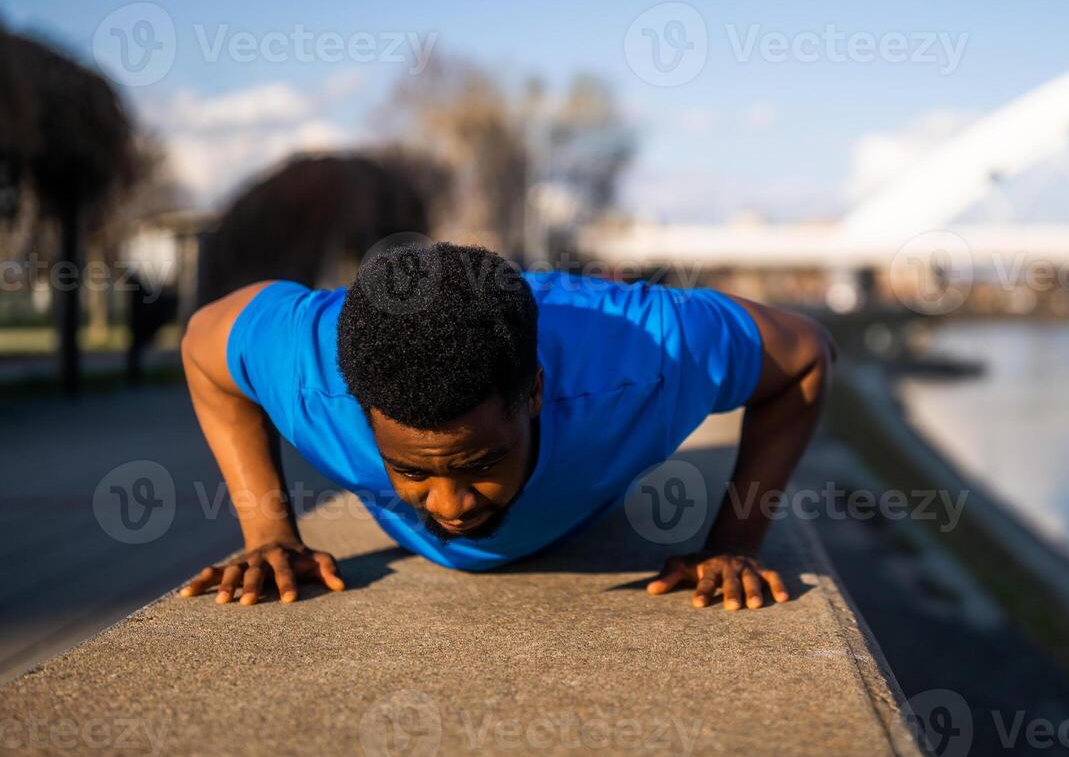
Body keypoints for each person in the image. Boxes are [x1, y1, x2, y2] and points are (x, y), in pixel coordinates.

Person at [178, 242, 835, 612]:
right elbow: (203, 345)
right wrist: (267, 530)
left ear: (538, 394)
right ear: (359, 407)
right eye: (411, 469)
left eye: (478, 464)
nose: (450, 505)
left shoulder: (649, 358)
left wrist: (734, 541)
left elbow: (806, 354)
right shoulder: (311, 370)